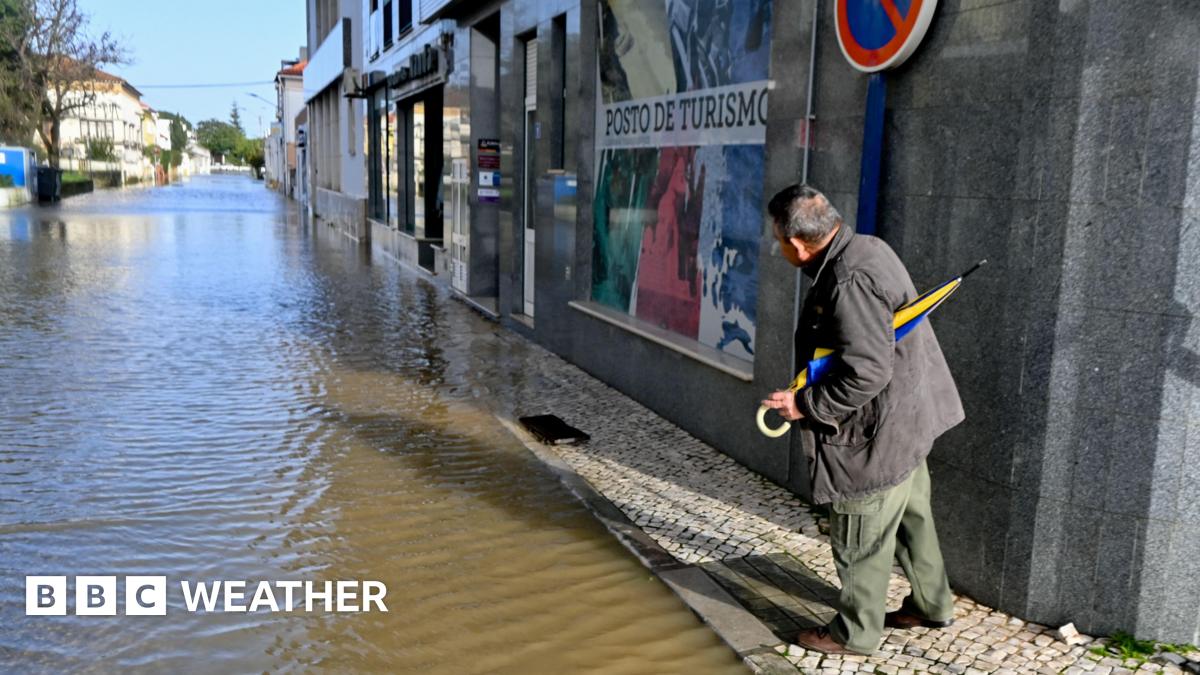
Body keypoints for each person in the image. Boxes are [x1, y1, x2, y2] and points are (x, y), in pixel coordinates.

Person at [760, 185, 965, 656]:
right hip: (907, 421)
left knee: (860, 536)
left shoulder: (848, 280)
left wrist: (805, 405)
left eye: (778, 238)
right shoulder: (869, 248)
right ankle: (932, 605)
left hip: (873, 435)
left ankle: (855, 633)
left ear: (798, 244)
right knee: (913, 521)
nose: (778, 247)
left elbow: (867, 372)